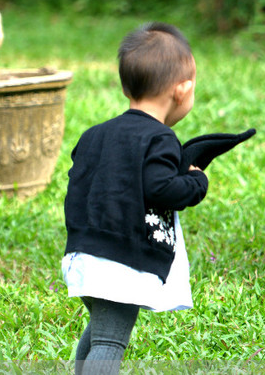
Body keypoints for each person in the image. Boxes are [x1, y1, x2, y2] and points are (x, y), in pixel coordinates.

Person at [61, 22, 208, 375]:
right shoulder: (160, 139)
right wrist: (196, 182)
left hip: (84, 253)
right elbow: (163, 189)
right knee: (110, 343)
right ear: (182, 90)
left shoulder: (94, 134)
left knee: (101, 334)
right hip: (120, 260)